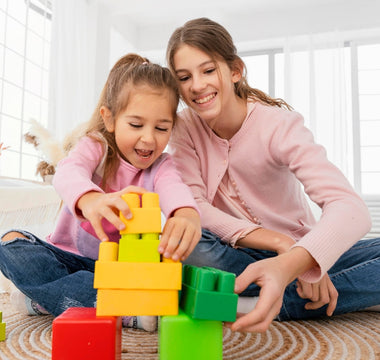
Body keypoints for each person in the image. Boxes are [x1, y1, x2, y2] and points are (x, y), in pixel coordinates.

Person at [166, 17, 380, 333]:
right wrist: (279, 243)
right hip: (235, 254)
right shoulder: (183, 128)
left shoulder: (280, 125)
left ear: (235, 70)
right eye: (184, 77)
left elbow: (350, 208)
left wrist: (297, 259)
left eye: (208, 70)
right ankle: (323, 294)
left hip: (301, 253)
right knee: (188, 240)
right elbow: (195, 208)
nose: (197, 85)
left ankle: (264, 300)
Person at [0, 54, 201, 332]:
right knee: (11, 243)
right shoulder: (96, 145)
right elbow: (68, 171)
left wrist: (186, 214)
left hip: (121, 273)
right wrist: (90, 198)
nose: (148, 138)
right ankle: (121, 310)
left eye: (162, 128)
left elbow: (175, 189)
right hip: (67, 261)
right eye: (135, 125)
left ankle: (50, 300)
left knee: (178, 284)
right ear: (110, 119)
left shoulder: (162, 166)